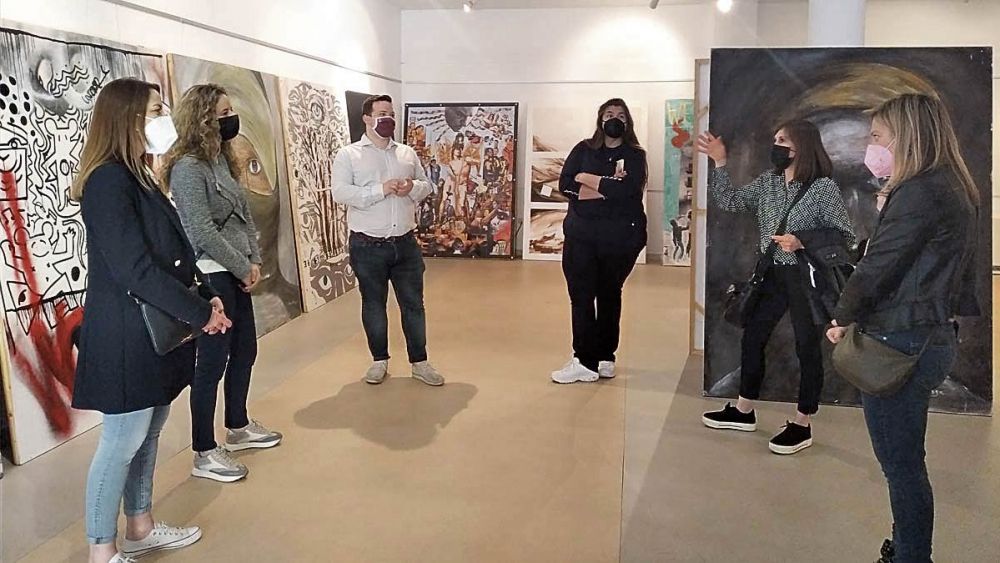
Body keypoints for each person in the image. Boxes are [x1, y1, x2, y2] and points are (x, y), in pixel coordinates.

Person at [70, 78, 233, 563]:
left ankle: (140, 527)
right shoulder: (107, 181)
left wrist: (206, 295)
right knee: (121, 441)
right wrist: (200, 313)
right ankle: (102, 551)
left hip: (154, 333)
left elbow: (170, 254)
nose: (166, 119)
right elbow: (134, 269)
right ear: (128, 118)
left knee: (148, 431)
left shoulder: (138, 175)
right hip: (126, 334)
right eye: (157, 110)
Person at [826, 94, 980, 563]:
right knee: (906, 459)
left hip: (900, 339)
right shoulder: (952, 185)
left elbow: (879, 265)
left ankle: (911, 555)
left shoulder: (918, 192)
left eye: (877, 136)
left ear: (905, 136)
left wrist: (842, 315)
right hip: (931, 333)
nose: (871, 147)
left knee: (902, 466)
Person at [697, 120, 856, 455]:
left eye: (783, 139)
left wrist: (802, 240)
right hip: (771, 274)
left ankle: (802, 422)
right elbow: (731, 201)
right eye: (775, 139)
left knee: (807, 346)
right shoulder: (768, 182)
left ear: (802, 145)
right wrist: (720, 161)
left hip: (804, 277)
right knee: (753, 338)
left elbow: (845, 236)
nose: (777, 144)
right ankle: (744, 410)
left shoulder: (822, 188)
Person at [161, 84, 283, 484]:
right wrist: (239, 266)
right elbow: (200, 230)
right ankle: (203, 450)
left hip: (237, 271)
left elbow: (244, 214)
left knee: (245, 349)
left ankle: (238, 425)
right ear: (203, 118)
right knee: (211, 363)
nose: (232, 118)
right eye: (224, 112)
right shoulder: (188, 168)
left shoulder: (221, 159)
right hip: (213, 274)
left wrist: (254, 261)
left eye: (231, 110)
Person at [332, 94, 445, 386]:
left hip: (405, 244)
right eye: (382, 113)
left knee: (414, 304)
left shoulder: (406, 153)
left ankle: (420, 362)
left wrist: (411, 187)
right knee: (373, 304)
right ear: (367, 118)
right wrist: (379, 190)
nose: (389, 119)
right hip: (367, 245)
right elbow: (340, 192)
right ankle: (379, 360)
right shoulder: (349, 155)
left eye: (391, 114)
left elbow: (426, 186)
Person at [550, 98, 647, 384]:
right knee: (581, 295)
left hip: (620, 239)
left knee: (609, 293)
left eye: (621, 115)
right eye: (609, 114)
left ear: (628, 122)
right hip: (581, 236)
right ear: (600, 119)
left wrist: (586, 177)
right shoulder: (583, 149)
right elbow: (566, 184)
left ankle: (602, 358)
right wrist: (606, 186)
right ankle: (586, 358)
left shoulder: (635, 155)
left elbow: (628, 191)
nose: (614, 119)